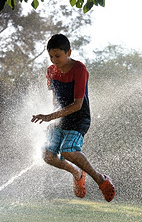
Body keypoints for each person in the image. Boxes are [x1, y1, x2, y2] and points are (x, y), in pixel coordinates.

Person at [31, 34, 116, 202]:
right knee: (48, 156)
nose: (54, 60)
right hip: (60, 118)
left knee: (68, 150)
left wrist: (49, 117)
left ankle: (101, 179)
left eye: (58, 56)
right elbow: (56, 98)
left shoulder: (79, 69)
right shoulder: (51, 71)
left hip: (78, 118)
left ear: (68, 52)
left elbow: (77, 104)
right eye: (51, 56)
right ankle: (77, 173)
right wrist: (53, 119)